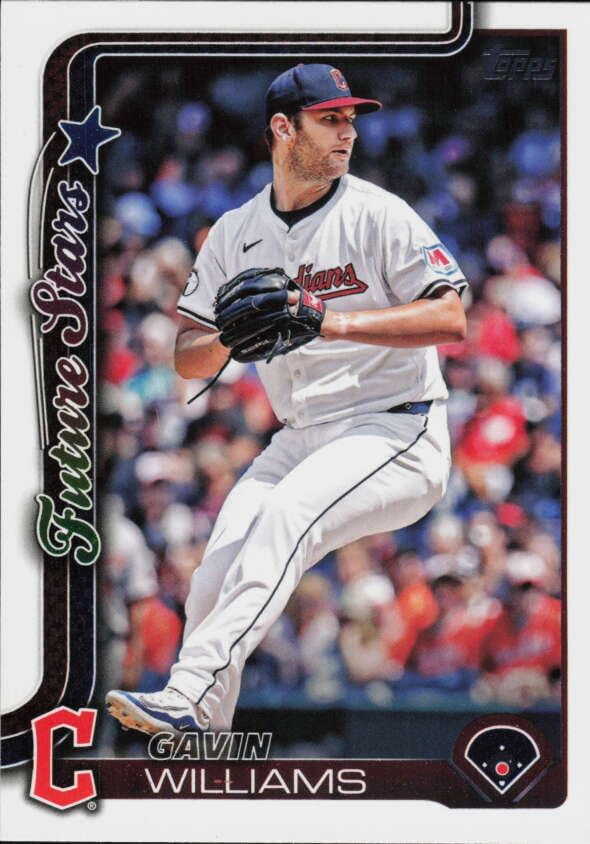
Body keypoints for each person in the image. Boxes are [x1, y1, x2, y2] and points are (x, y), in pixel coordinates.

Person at [106, 62, 468, 735]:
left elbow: (451, 317)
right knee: (212, 579)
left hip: (395, 428)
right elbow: (189, 355)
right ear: (282, 128)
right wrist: (230, 337)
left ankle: (185, 691)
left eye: (350, 119)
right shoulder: (235, 231)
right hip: (299, 435)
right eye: (330, 119)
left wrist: (328, 320)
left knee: (287, 517)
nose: (348, 132)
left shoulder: (377, 212)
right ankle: (203, 742)